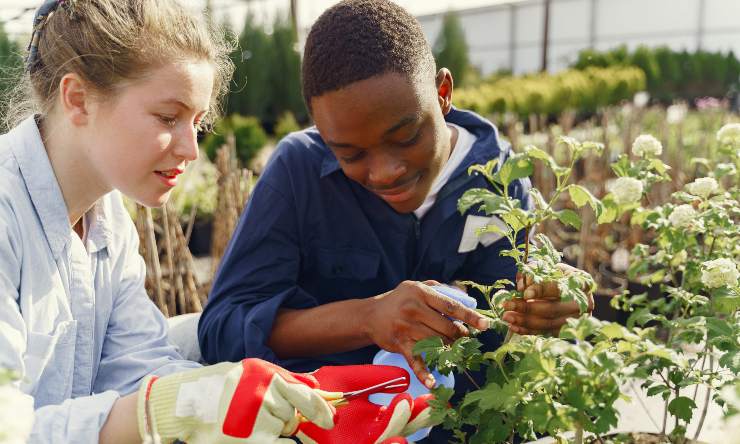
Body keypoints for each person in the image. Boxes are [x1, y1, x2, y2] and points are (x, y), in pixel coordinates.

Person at [0, 1, 426, 443]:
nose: (191, 150)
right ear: (78, 99)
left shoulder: (107, 225)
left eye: (197, 123)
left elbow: (138, 366)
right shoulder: (7, 213)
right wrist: (168, 410)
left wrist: (291, 404)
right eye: (168, 117)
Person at [198, 0, 594, 441]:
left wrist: (545, 308)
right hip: (332, 427)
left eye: (405, 137)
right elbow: (222, 329)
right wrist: (368, 318)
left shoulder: (499, 181)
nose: (385, 172)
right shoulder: (298, 173)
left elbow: (505, 332)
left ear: (443, 94)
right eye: (349, 154)